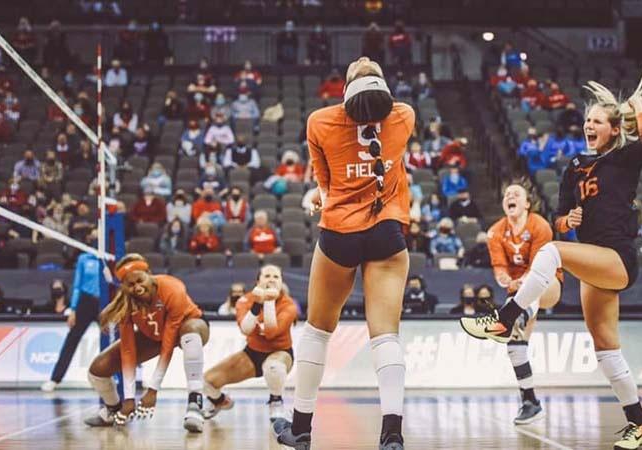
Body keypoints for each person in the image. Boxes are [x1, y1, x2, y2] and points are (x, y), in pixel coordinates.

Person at [460, 50, 642, 449]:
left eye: (597, 121)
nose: (589, 125)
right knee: (606, 349)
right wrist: (564, 222)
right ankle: (639, 423)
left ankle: (505, 319)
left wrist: (636, 106)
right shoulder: (574, 166)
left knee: (552, 252)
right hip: (592, 258)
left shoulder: (624, 159)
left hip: (617, 257)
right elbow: (557, 216)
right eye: (587, 121)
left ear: (612, 129)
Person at [272, 56, 414, 450]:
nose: (365, 59)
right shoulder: (404, 116)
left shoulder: (320, 121)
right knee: (386, 336)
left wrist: (322, 194)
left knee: (317, 330)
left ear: (346, 90)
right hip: (386, 231)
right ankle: (392, 436)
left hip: (339, 233)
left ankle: (300, 430)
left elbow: (328, 181)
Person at [82, 254, 209, 432]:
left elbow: (168, 343)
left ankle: (195, 404)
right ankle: (114, 408)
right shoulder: (126, 303)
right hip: (153, 336)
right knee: (98, 368)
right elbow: (128, 351)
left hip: (187, 326)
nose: (137, 287)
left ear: (149, 273)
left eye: (140, 280)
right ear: (124, 287)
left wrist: (152, 390)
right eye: (131, 284)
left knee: (191, 330)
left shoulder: (172, 288)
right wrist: (129, 398)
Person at [482, 183, 564, 423]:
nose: (510, 196)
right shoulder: (495, 232)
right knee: (515, 347)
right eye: (507, 194)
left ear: (527, 203)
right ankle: (530, 401)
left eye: (516, 194)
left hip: (549, 284)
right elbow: (499, 271)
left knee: (534, 287)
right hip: (518, 292)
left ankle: (518, 314)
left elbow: (540, 269)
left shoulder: (540, 225)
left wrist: (520, 283)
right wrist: (507, 279)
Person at [204, 265, 298, 421]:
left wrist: (268, 301)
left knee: (274, 367)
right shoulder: (245, 300)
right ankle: (220, 401)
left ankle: (276, 401)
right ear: (258, 281)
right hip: (252, 354)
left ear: (282, 282)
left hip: (280, 353)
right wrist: (257, 304)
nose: (271, 280)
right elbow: (246, 329)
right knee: (206, 381)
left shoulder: (289, 305)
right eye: (267, 276)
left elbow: (271, 333)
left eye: (276, 277)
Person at [41, 240, 104, 392]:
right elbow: (77, 285)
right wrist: (74, 309)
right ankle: (55, 379)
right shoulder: (84, 258)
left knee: (111, 341)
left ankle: (110, 378)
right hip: (86, 301)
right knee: (72, 339)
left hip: (104, 302)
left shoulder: (108, 259)